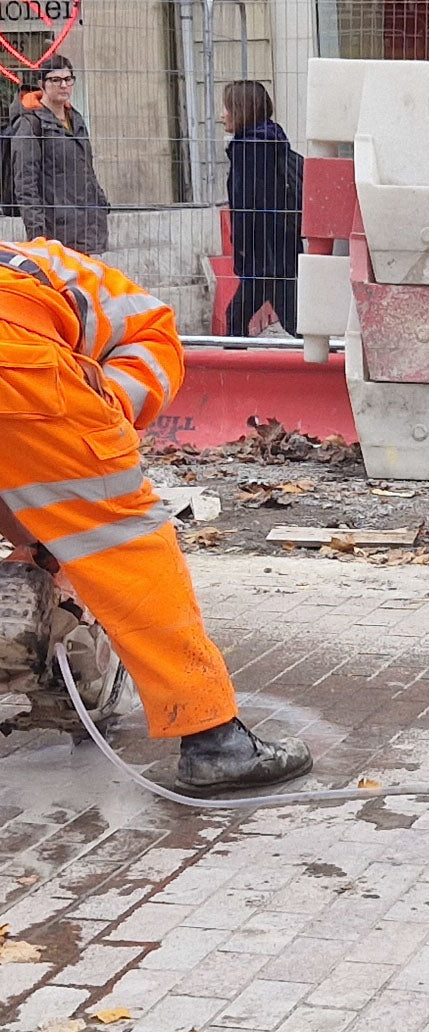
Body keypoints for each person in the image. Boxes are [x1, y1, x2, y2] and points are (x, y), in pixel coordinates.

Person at [0, 237, 312, 794]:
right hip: (17, 364)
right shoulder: (129, 311)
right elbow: (150, 350)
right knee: (127, 543)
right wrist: (105, 417)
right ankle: (214, 738)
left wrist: (40, 541)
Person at [222, 80, 302, 338]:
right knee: (293, 319)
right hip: (283, 247)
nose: (222, 115)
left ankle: (234, 374)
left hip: (262, 255)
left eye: (227, 108)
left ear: (241, 109)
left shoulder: (248, 148)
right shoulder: (273, 139)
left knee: (237, 318)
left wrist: (242, 246)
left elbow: (246, 204)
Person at [8, 55, 110, 255]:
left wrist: (100, 202)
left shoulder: (76, 118)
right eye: (55, 80)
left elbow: (86, 168)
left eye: (68, 79)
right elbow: (25, 183)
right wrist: (37, 234)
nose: (63, 85)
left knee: (86, 283)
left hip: (86, 224)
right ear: (42, 84)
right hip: (55, 229)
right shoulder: (30, 124)